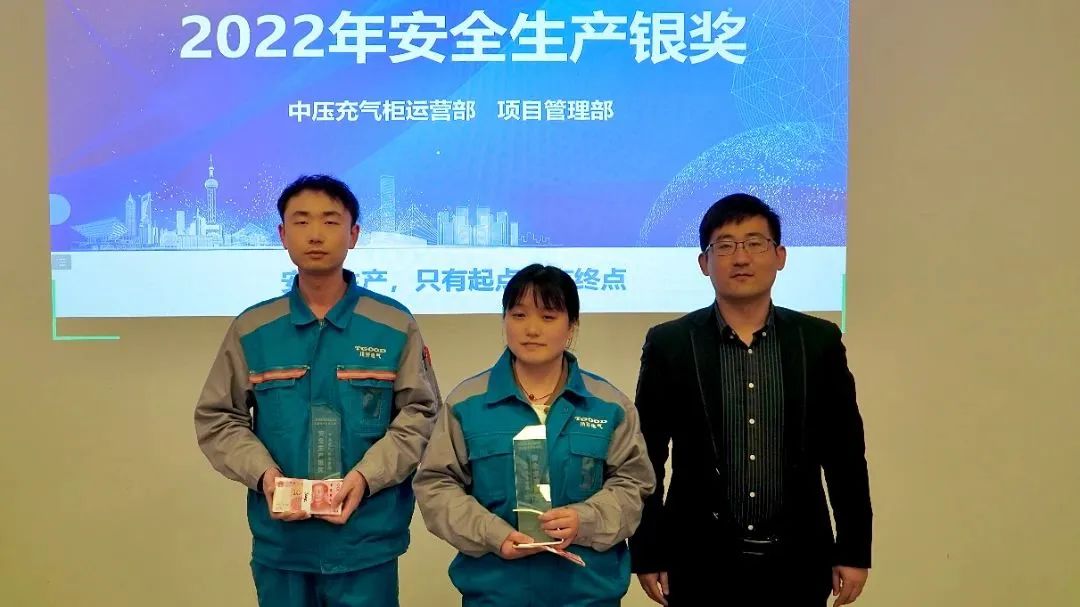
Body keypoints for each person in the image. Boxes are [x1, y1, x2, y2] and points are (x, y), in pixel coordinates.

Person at [194, 174, 441, 607]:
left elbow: (422, 415)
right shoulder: (253, 329)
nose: (315, 234)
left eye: (330, 221)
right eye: (301, 221)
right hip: (283, 546)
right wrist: (265, 476)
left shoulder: (393, 324)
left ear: (354, 234)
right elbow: (218, 418)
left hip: (366, 542)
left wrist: (366, 478)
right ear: (282, 234)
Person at [629, 193, 872, 606]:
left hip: (798, 558)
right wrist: (647, 550)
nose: (741, 258)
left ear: (780, 256)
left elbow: (845, 453)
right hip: (697, 560)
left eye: (755, 243)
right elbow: (647, 455)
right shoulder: (670, 343)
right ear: (704, 262)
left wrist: (853, 549)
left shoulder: (818, 341)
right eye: (725, 245)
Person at [413, 264, 656, 607]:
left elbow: (633, 484)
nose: (531, 329)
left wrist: (584, 520)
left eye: (548, 317)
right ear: (504, 320)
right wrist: (493, 534)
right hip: (496, 592)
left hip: (588, 592)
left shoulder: (608, 405)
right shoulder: (467, 403)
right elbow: (436, 486)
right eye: (518, 315)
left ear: (571, 327)